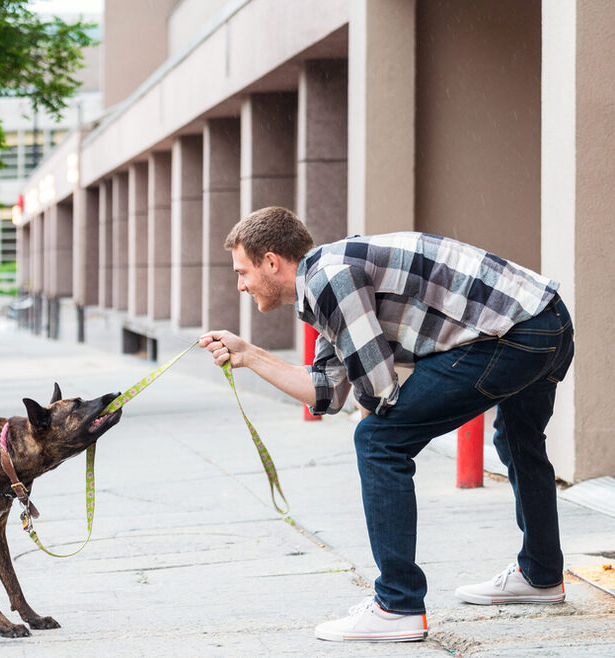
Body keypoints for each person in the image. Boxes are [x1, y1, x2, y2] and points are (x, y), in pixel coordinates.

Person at [199, 207, 574, 643]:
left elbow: (378, 393)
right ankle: (542, 574)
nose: (240, 285)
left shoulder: (330, 279)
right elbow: (326, 393)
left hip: (515, 334)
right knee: (518, 440)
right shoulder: (331, 277)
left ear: (271, 261)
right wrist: (249, 355)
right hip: (547, 322)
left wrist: (371, 401)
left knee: (379, 441)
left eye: (242, 272)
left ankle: (397, 604)